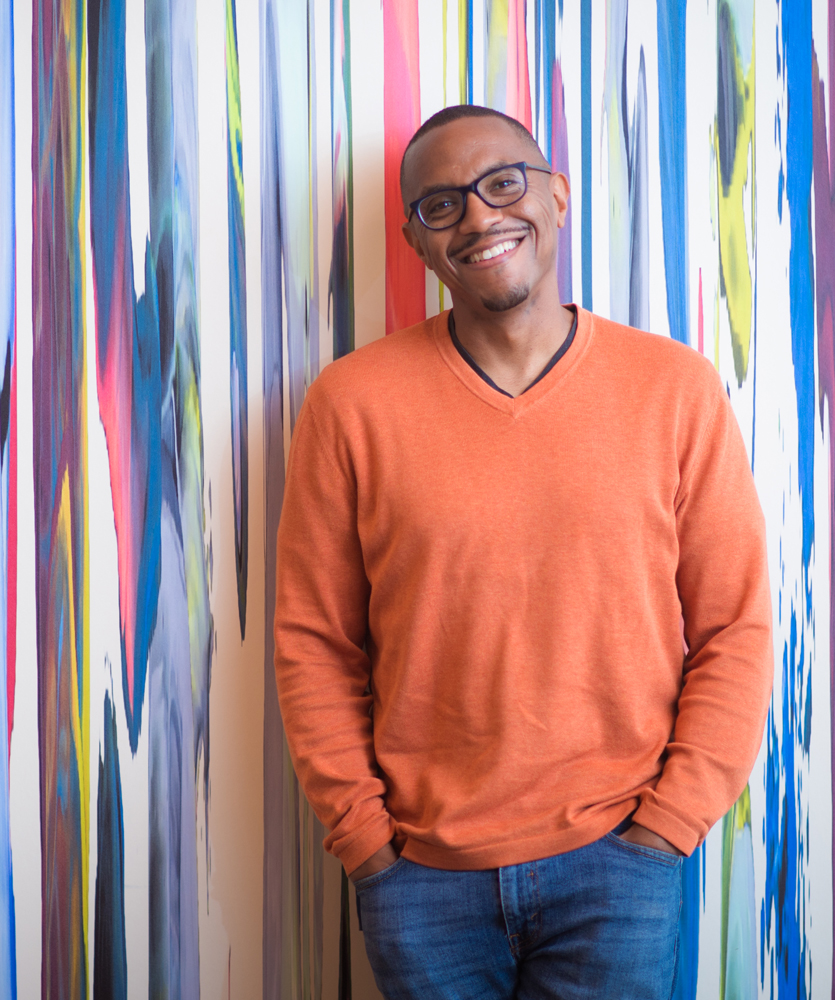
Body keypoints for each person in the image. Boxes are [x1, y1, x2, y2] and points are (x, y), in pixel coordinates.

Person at [273, 104, 772, 998]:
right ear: (417, 241)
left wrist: (669, 826)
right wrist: (366, 842)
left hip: (620, 863)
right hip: (421, 877)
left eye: (503, 183)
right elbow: (315, 642)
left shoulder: (674, 389)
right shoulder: (349, 405)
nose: (479, 215)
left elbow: (735, 625)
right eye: (442, 204)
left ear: (558, 197)